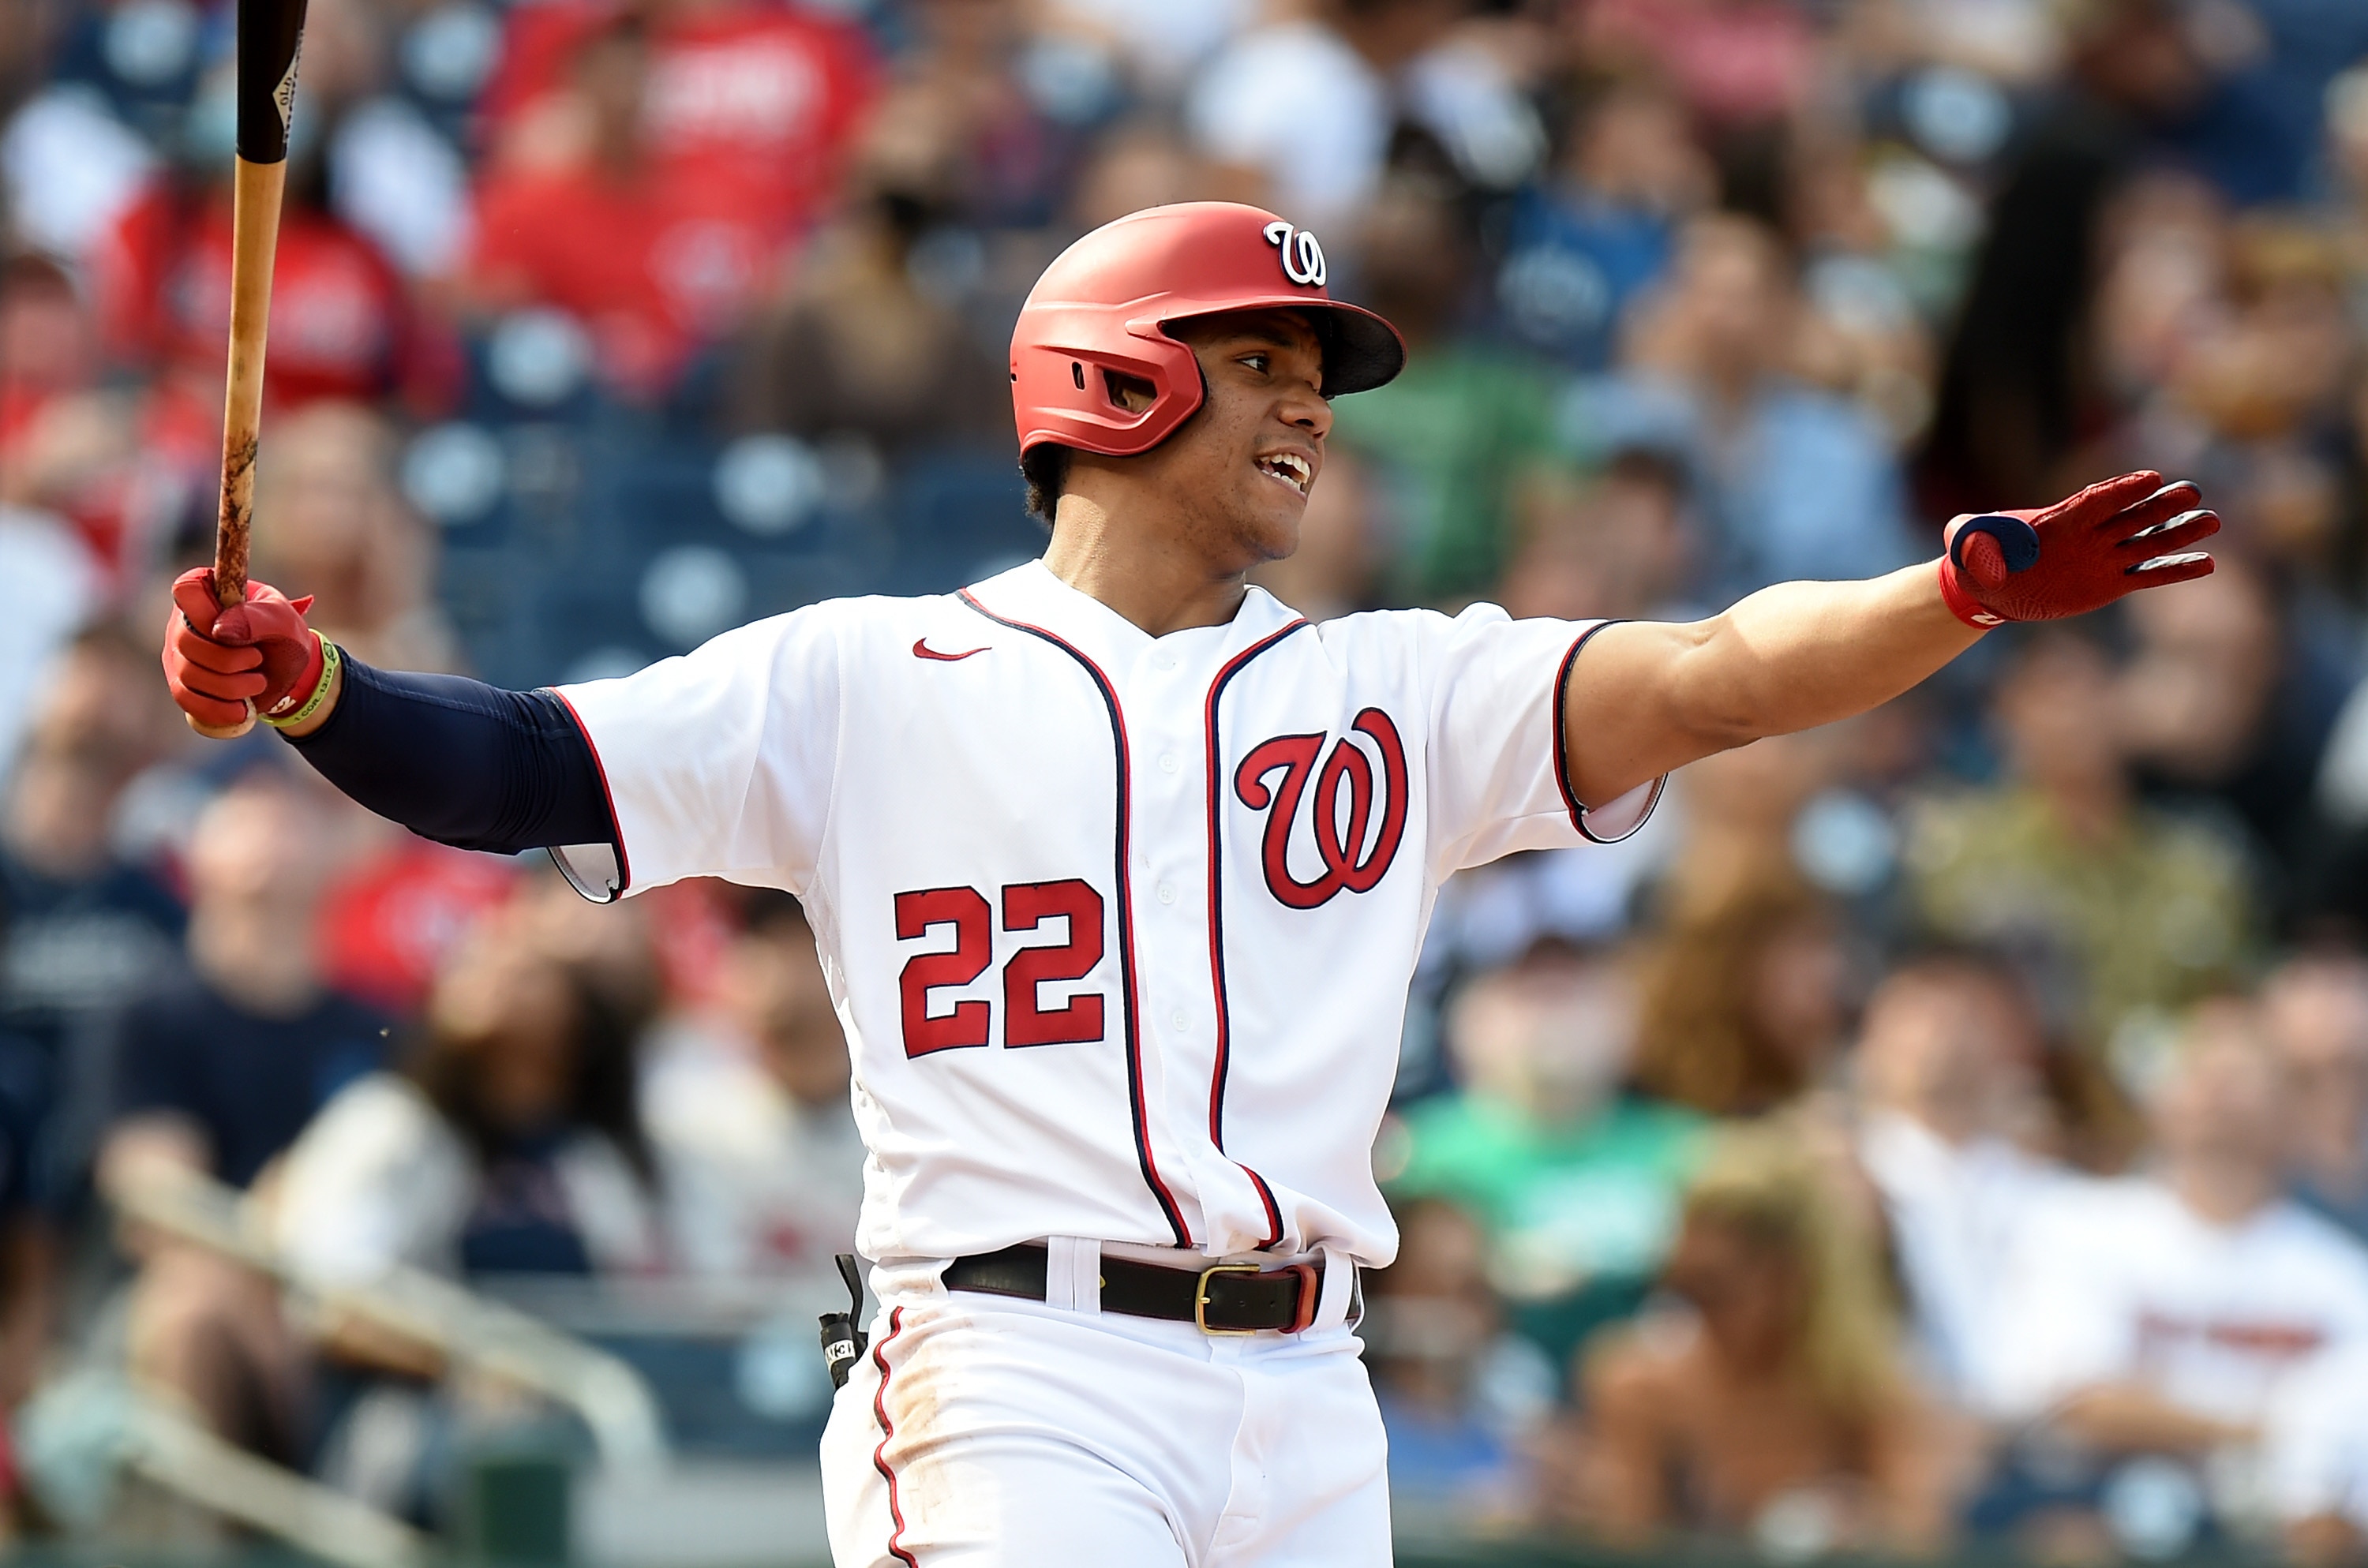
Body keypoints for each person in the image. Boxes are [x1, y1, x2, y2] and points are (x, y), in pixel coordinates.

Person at [160, 200, 2216, 1565]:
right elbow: (522, 761)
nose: (1312, 396)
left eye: (1315, 365)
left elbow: (1714, 676)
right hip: (1019, 1363)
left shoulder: (1390, 688)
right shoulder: (866, 674)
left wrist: (1951, 589)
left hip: (1313, 1387)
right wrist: (316, 680)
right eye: (1266, 356)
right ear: (1114, 380)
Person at [1984, 1001, 2368, 1523]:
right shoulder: (2074, 1224)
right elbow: (2075, 1403)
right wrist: (2280, 1428)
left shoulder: (2344, 1276)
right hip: (2094, 1517)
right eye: (2196, 1073)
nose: (2213, 1093)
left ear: (2293, 1112)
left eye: (2238, 1078)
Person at [1556, 1124, 1954, 1554]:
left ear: (1794, 1280)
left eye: (1717, 1290)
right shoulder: (1639, 1388)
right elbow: (1629, 1550)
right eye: (1682, 1288)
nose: (1698, 1314)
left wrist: (1861, 1526)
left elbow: (1919, 1541)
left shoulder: (1870, 1397)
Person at [1850, 950, 2068, 1412]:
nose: (1942, 1037)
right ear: (1870, 1046)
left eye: (1965, 1018)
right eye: (1919, 1018)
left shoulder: (2057, 1195)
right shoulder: (1843, 1181)